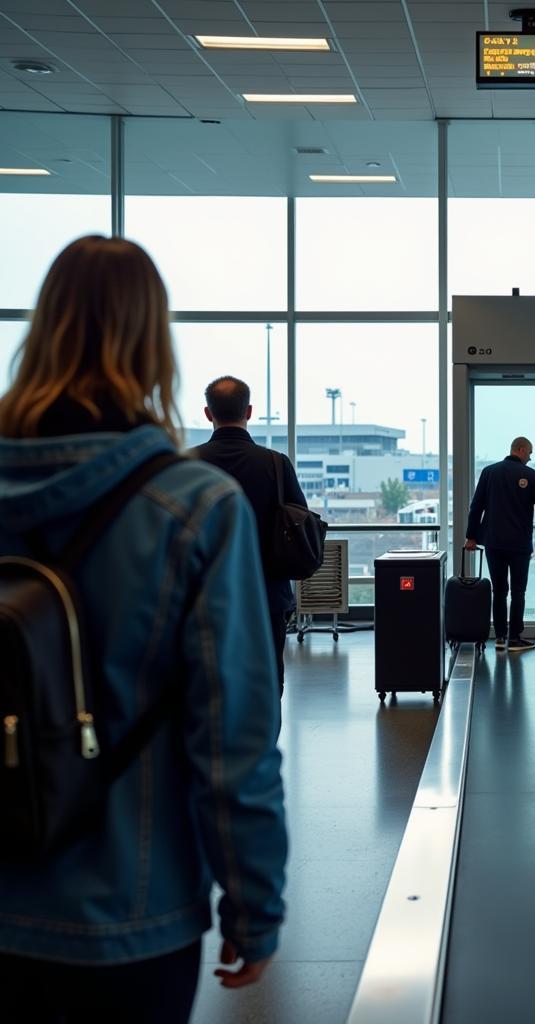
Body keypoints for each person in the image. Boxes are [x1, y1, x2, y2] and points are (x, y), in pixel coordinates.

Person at [0, 236, 287, 1022]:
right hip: (127, 908)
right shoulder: (189, 507)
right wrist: (255, 905)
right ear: (154, 344)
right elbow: (232, 741)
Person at [194, 376, 307, 695]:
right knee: (268, 678)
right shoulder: (275, 464)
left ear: (207, 413)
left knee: (209, 681)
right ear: (250, 411)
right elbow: (300, 520)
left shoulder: (188, 465)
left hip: (205, 595)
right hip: (267, 593)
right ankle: (265, 739)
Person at [465, 436, 535, 653]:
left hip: (493, 543)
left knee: (499, 590)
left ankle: (501, 637)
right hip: (519, 545)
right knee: (518, 591)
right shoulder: (530, 476)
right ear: (521, 450)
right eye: (529, 453)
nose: (530, 458)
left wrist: (471, 537)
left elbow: (476, 507)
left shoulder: (489, 472)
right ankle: (514, 639)